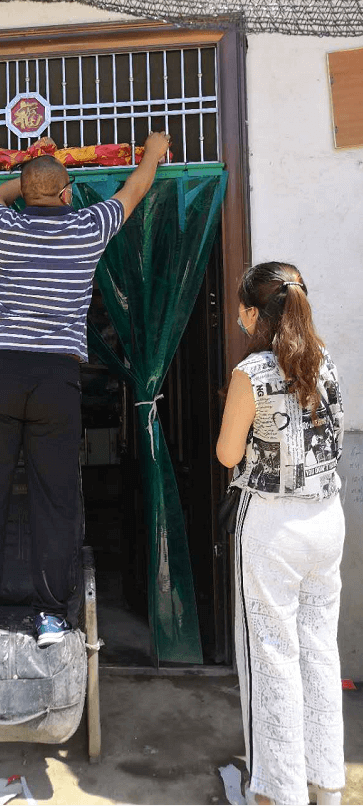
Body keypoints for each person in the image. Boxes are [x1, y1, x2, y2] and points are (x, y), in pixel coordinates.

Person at [0, 131, 170, 646]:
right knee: (55, 497)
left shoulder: (2, 226)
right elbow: (135, 190)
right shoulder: (87, 227)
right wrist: (154, 152)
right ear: (67, 193)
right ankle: (51, 616)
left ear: (27, 192)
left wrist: (31, 170)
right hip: (57, 376)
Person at [217, 263, 346, 806]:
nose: (238, 319)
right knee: (319, 651)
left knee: (271, 655)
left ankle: (277, 792)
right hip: (327, 519)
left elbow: (227, 453)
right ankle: (326, 785)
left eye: (240, 311)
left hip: (273, 525)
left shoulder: (252, 372)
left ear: (254, 313)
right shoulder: (325, 361)